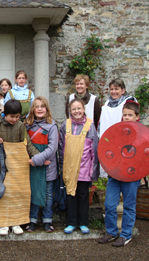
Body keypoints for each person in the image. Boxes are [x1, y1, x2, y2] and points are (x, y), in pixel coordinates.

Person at [0, 99, 39, 235]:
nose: (15, 119)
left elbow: (27, 144)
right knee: (4, 191)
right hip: (1, 163)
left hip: (19, 165)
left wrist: (38, 157)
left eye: (17, 116)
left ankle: (17, 222)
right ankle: (4, 224)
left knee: (19, 192)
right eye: (12, 117)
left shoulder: (21, 126)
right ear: (5, 114)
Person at [98, 101, 141, 247]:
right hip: (115, 174)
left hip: (132, 175)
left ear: (137, 116)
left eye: (130, 115)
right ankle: (111, 232)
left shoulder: (142, 134)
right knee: (110, 205)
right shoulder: (118, 131)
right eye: (125, 115)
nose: (127, 117)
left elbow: (144, 154)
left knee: (129, 206)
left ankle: (126, 235)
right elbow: (110, 148)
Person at [59, 98, 99, 235]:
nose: (76, 111)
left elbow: (94, 149)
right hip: (69, 169)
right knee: (71, 196)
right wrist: (61, 167)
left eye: (79, 108)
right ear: (70, 111)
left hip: (84, 169)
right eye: (74, 109)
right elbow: (61, 147)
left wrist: (93, 171)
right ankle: (71, 223)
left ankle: (83, 223)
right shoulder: (65, 125)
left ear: (84, 109)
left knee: (82, 196)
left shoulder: (90, 125)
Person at [24, 96, 58, 233]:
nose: (39, 109)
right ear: (33, 109)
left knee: (48, 193)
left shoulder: (52, 126)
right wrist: (35, 160)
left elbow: (52, 148)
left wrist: (38, 159)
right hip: (32, 165)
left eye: (42, 106)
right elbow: (25, 145)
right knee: (32, 191)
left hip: (48, 166)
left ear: (47, 109)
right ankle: (32, 219)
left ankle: (47, 220)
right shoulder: (27, 125)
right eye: (37, 106)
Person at [98, 78, 137, 177]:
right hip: (109, 142)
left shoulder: (129, 102)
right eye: (111, 89)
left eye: (116, 89)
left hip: (124, 142)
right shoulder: (107, 104)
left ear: (123, 90)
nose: (114, 92)